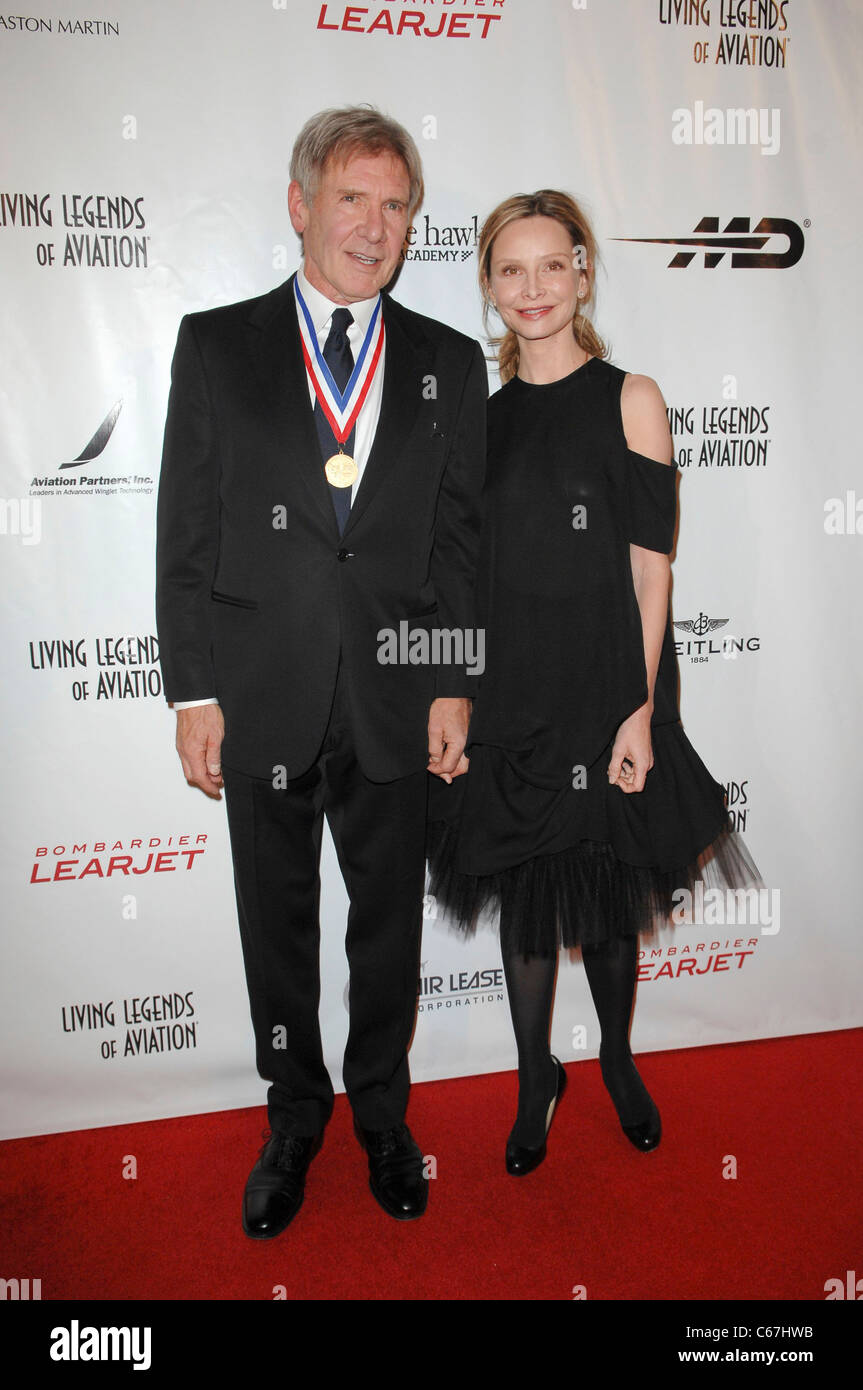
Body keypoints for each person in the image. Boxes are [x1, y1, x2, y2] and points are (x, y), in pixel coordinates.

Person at [156, 107, 486, 1235]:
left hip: (398, 694)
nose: (374, 224)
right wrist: (194, 692)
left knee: (386, 923)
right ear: (299, 205)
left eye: (395, 206)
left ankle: (383, 1117)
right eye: (352, 197)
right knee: (277, 921)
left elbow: (458, 541)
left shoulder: (447, 361)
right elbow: (185, 534)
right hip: (264, 693)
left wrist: (450, 679)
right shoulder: (216, 344)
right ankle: (293, 1115)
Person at [427, 190, 759, 1175]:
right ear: (488, 286)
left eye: (549, 266)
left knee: (611, 896)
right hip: (509, 692)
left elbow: (651, 566)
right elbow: (456, 577)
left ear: (580, 273)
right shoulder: (473, 424)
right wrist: (451, 695)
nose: (531, 288)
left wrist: (641, 709)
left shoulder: (632, 398)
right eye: (509, 270)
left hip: (611, 682)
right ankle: (536, 1078)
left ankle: (614, 1057)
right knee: (527, 904)